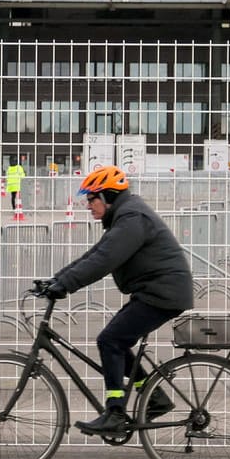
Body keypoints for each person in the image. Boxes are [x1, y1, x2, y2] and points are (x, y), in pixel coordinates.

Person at [39, 165, 194, 435]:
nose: (88, 205)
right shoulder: (125, 215)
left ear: (108, 196)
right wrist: (57, 279)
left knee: (110, 340)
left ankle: (115, 413)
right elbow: (96, 253)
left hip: (163, 292)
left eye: (91, 199)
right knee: (118, 341)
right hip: (157, 291)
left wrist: (65, 285)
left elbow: (105, 260)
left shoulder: (132, 218)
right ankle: (155, 398)